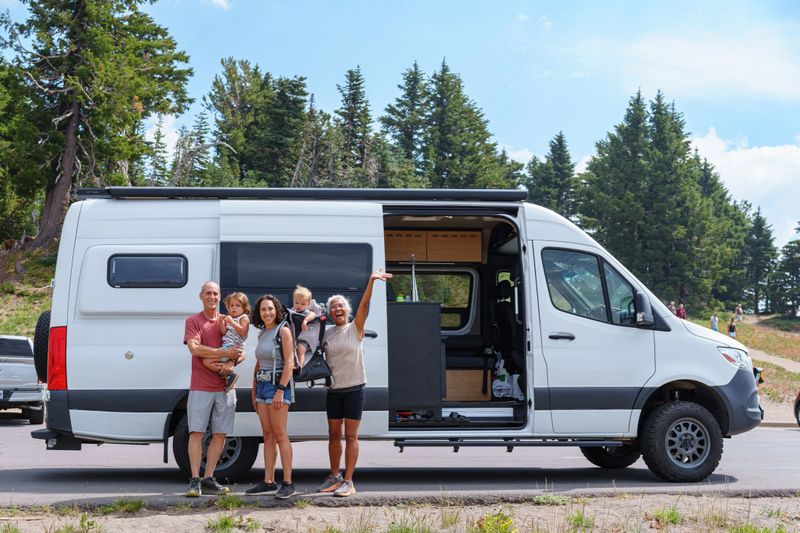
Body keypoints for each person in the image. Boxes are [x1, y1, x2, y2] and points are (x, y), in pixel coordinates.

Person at [316, 270, 392, 498]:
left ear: (347, 310)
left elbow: (365, 307)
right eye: (333, 307)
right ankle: (334, 476)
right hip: (334, 390)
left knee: (350, 436)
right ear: (329, 313)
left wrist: (371, 281)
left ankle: (348, 481)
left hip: (355, 389)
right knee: (332, 434)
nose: (337, 309)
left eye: (341, 306)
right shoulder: (327, 334)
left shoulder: (355, 328)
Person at [183, 281, 244, 498]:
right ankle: (194, 480)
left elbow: (240, 351)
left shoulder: (228, 321)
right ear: (201, 296)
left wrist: (232, 361)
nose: (212, 296)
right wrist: (222, 353)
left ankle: (208, 478)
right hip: (201, 386)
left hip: (226, 388)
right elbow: (194, 349)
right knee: (197, 433)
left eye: (215, 293)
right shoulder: (194, 321)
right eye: (208, 293)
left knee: (220, 435)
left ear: (220, 297)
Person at [245, 294, 297, 499]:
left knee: (280, 434)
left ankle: (288, 482)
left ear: (276, 310)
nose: (266, 312)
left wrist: (280, 390)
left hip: (278, 385)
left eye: (270, 308)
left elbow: (290, 363)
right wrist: (254, 390)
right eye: (263, 309)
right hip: (262, 385)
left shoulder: (283, 331)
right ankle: (268, 481)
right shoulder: (262, 334)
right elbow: (258, 364)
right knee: (267, 435)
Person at [201, 292, 250, 392]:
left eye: (237, 306)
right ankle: (228, 374)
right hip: (227, 346)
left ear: (244, 308)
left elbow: (243, 332)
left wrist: (231, 322)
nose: (234, 308)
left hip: (234, 347)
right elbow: (224, 333)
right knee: (207, 361)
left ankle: (229, 375)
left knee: (207, 361)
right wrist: (221, 323)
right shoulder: (231, 318)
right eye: (231, 305)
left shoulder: (243, 318)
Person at [289, 285, 322, 369]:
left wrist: (305, 320)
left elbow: (313, 314)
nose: (299, 305)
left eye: (303, 304)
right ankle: (290, 364)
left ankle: (300, 366)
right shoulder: (293, 311)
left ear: (308, 304)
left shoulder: (307, 312)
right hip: (295, 339)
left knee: (300, 350)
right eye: (296, 302)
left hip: (305, 339)